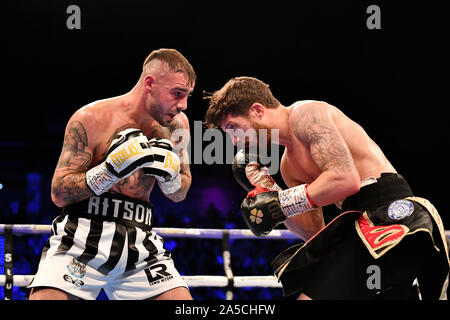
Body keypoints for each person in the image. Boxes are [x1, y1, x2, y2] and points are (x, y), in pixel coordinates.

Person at [204, 76, 449, 300]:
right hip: (356, 224)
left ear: (257, 110)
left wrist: (282, 202)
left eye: (234, 128)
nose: (235, 141)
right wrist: (269, 193)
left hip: (389, 213)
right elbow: (314, 231)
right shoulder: (288, 166)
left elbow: (345, 180)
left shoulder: (306, 114)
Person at [28, 48, 196, 300]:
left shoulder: (177, 125)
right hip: (79, 240)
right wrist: (108, 172)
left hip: (140, 242)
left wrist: (171, 177)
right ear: (150, 83)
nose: (182, 105)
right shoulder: (91, 118)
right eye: (177, 94)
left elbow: (180, 193)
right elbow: (59, 194)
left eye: (187, 96)